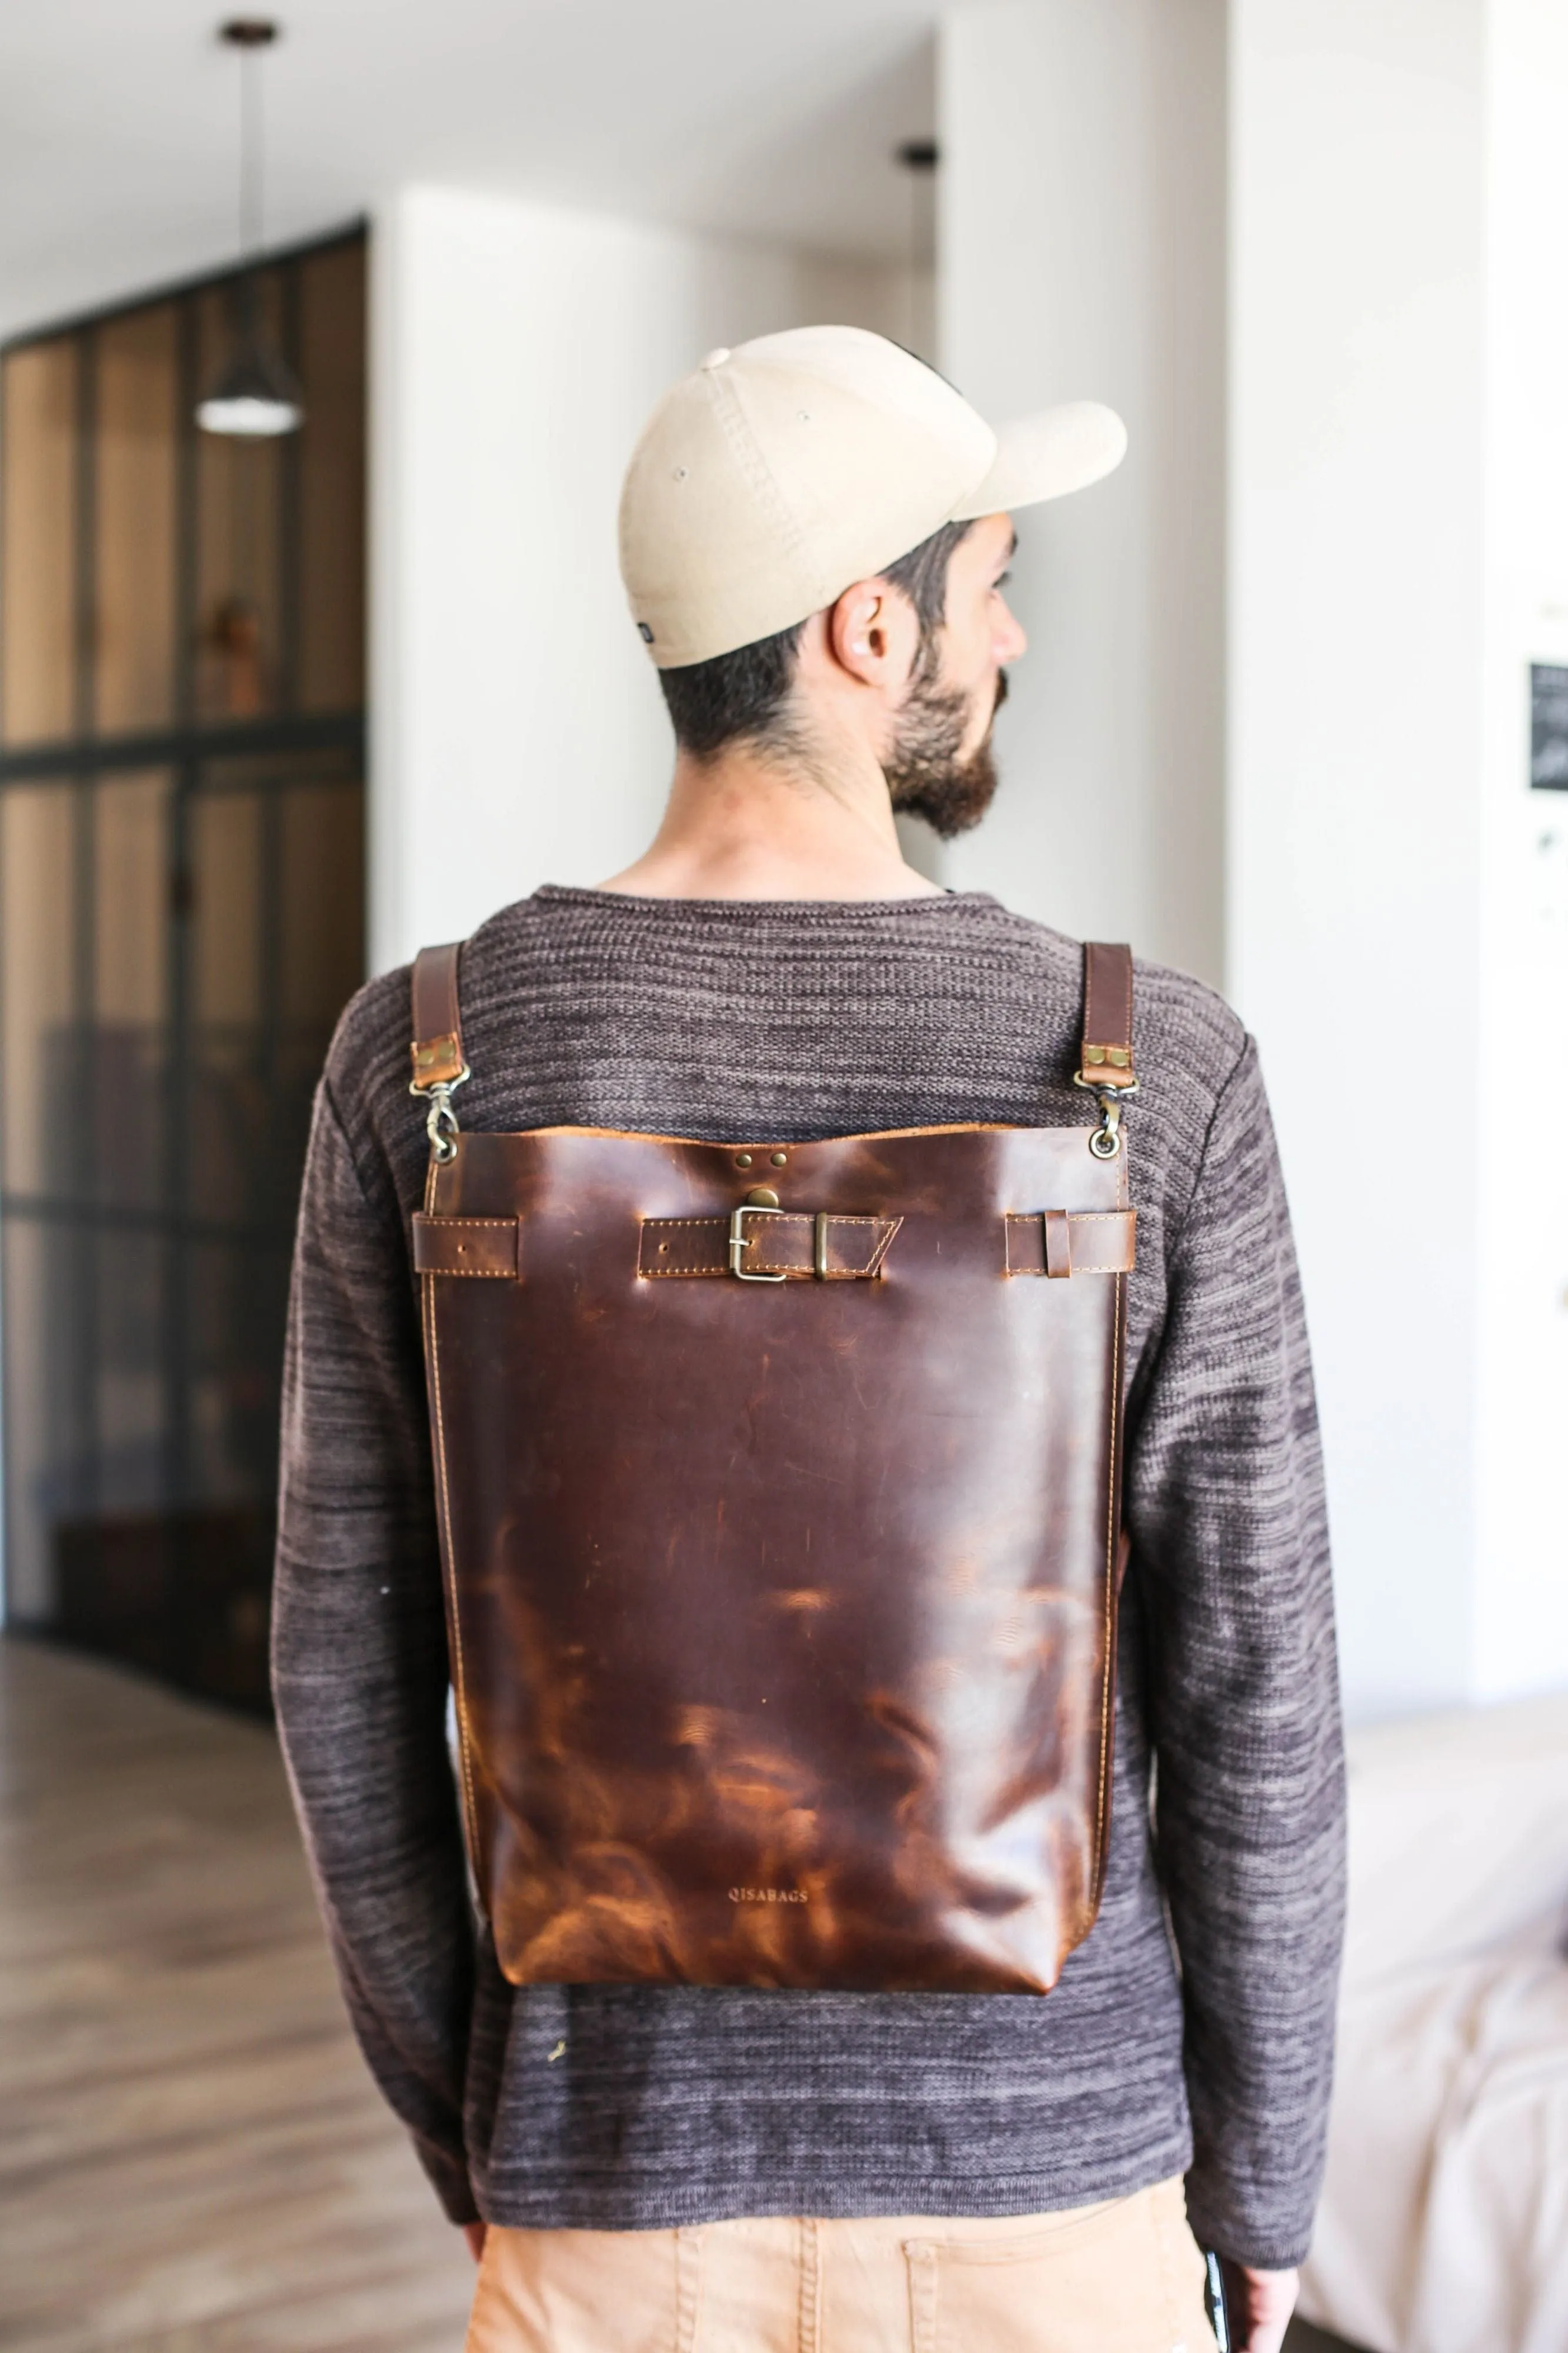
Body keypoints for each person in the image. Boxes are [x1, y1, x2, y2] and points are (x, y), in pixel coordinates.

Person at [273, 327, 1345, 2353]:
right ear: (871, 630)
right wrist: (1265, 2178)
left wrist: (489, 2138)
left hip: (602, 2200)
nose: (1011, 635)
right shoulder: (1153, 1067)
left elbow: (340, 1677)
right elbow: (1257, 1687)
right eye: (994, 579)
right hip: (1058, 2191)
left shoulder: (426, 1062)